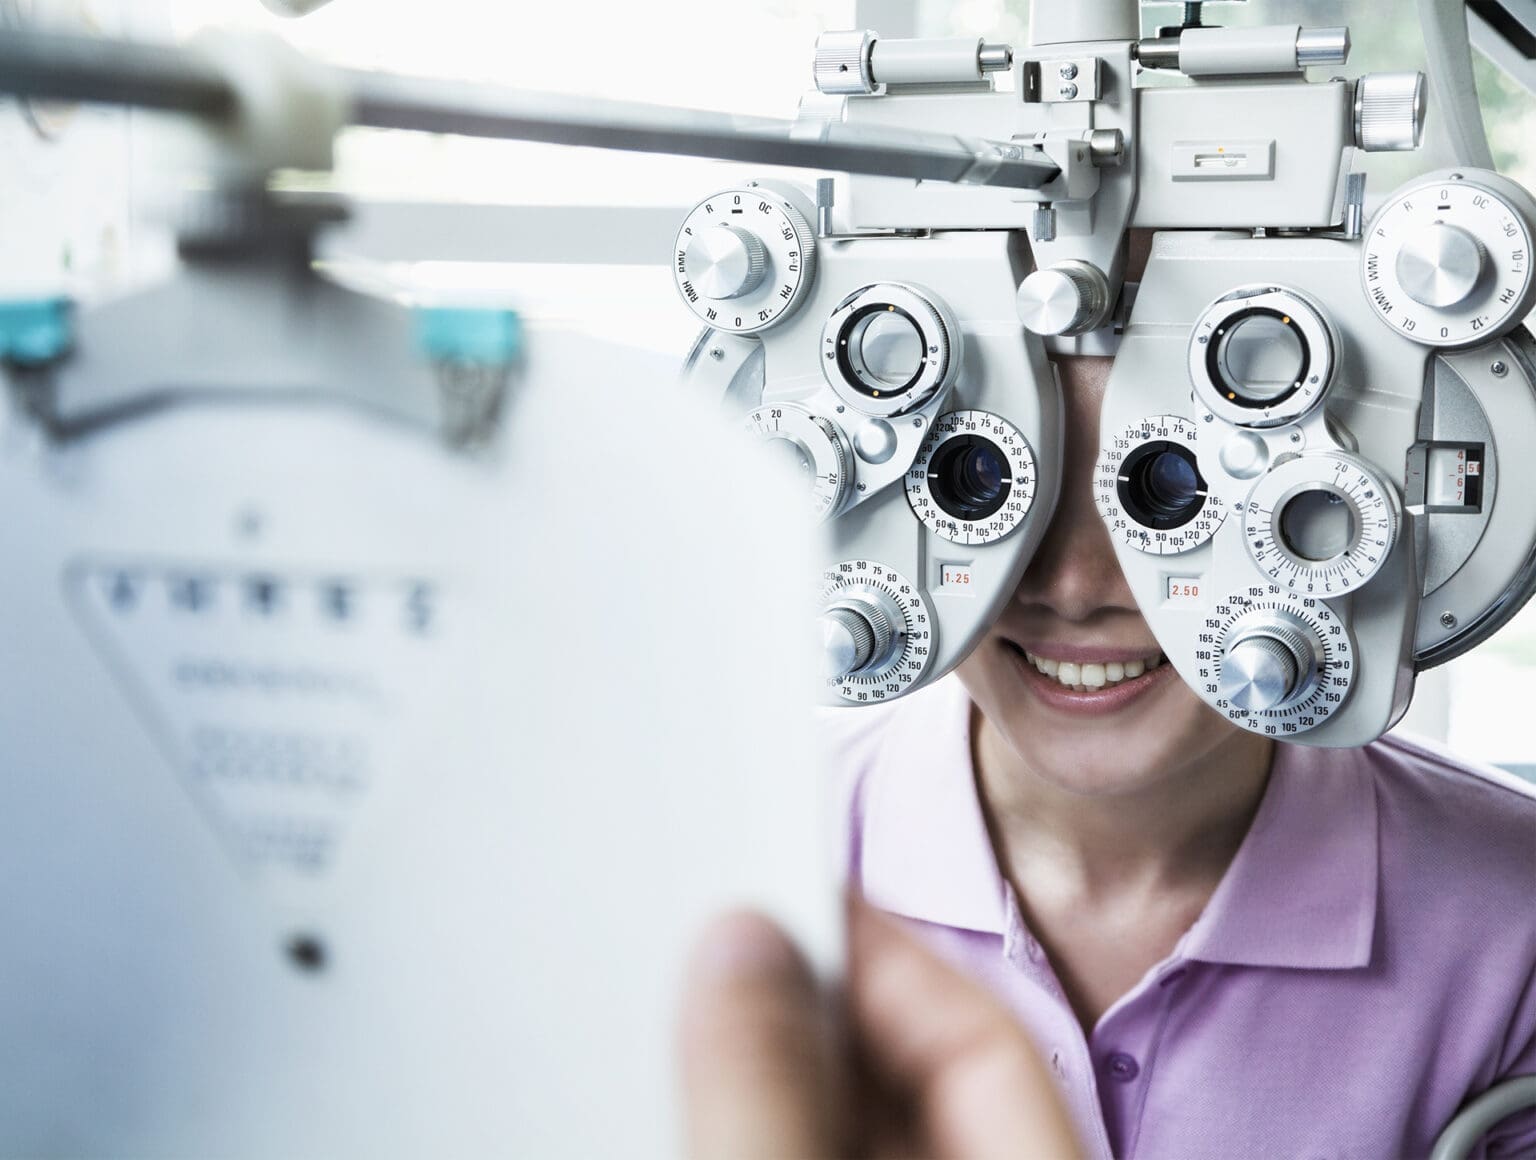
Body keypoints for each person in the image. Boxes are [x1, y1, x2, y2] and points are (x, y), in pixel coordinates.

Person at [811, 345, 1536, 1157]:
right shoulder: (724, 863)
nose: (1074, 586)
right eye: (983, 481)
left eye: (1174, 489)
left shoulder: (1516, 916)